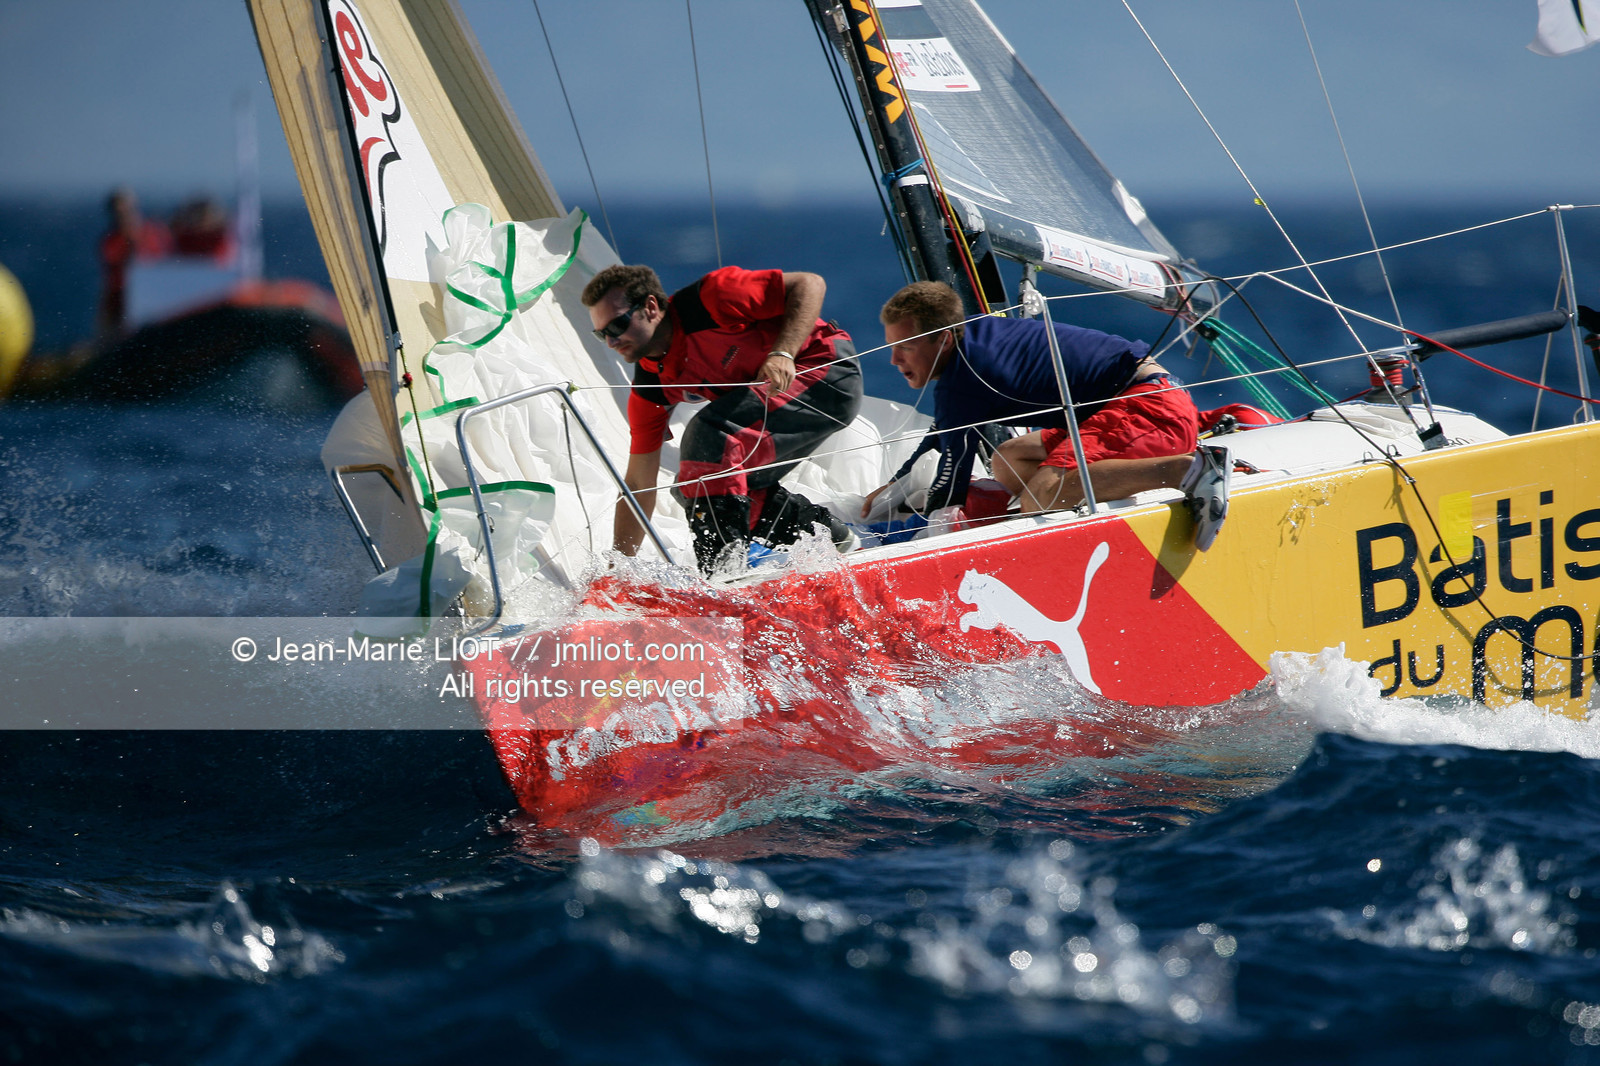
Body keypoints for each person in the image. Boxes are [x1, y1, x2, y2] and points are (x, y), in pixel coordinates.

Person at [866, 280, 1231, 550]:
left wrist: (899, 536)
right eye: (892, 347)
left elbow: (949, 489)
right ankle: (1062, 503)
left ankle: (1190, 470)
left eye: (906, 347)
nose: (894, 360)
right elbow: (946, 430)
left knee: (1039, 496)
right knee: (1009, 457)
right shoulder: (969, 337)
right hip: (1149, 398)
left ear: (943, 339)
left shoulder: (962, 379)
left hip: (1150, 411)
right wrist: (897, 482)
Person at [582, 263, 863, 574]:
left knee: (710, 437)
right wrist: (616, 570)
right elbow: (638, 484)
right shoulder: (650, 388)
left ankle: (724, 575)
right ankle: (837, 540)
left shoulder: (712, 297)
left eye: (617, 326)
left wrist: (783, 352)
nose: (611, 341)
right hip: (779, 401)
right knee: (693, 487)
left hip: (827, 372)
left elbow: (810, 282)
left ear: (650, 307)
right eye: (601, 335)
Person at [96, 188, 171, 338]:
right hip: (120, 304)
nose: (123, 215)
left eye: (126, 209)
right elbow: (116, 272)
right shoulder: (111, 241)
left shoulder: (153, 233)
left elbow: (166, 262)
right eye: (118, 212)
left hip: (156, 302)